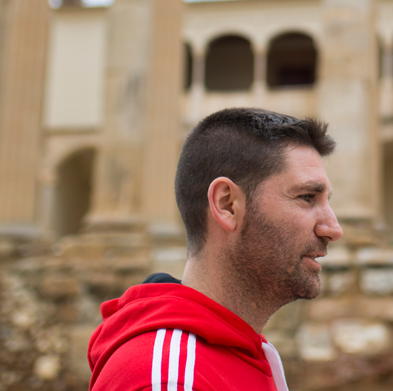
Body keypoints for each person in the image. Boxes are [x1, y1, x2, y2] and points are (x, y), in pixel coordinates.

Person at [88, 108, 343, 390]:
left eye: (326, 200)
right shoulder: (170, 378)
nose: (333, 229)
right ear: (227, 205)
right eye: (307, 197)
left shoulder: (255, 353)